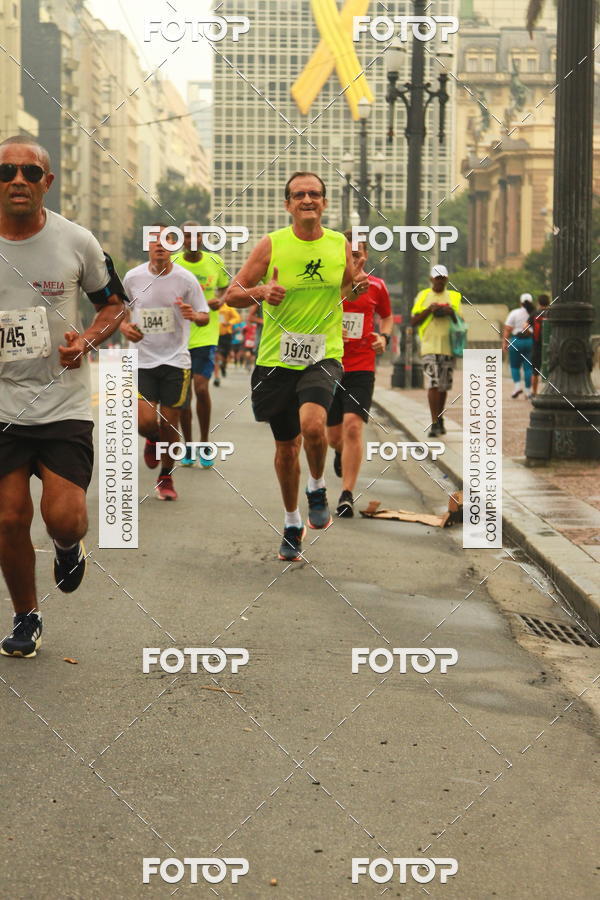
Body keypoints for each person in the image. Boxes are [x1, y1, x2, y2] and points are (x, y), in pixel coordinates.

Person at [0, 136, 126, 658]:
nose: (18, 181)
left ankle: (69, 547)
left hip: (63, 403)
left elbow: (115, 305)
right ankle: (27, 615)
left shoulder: (77, 241)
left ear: (48, 182)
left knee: (64, 517)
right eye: (6, 171)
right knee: (7, 517)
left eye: (31, 172)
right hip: (4, 405)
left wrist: (88, 339)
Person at [224, 171, 368, 561]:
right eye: (299, 194)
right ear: (287, 204)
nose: (308, 199)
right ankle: (291, 523)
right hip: (276, 360)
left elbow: (347, 289)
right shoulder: (271, 245)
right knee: (287, 449)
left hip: (323, 354)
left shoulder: (339, 243)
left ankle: (317, 486)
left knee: (313, 426)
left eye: (315, 194)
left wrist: (358, 282)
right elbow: (232, 295)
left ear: (324, 202)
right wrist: (261, 291)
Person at [120, 225, 209, 500]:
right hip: (142, 361)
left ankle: (166, 477)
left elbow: (204, 314)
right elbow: (121, 312)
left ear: (173, 245)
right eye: (153, 240)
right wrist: (124, 326)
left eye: (166, 240)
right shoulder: (133, 277)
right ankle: (153, 439)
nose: (159, 244)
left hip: (175, 361)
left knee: (171, 424)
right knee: (144, 422)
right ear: (147, 245)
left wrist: (194, 315)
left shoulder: (186, 279)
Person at [327, 231, 393, 517]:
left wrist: (384, 338)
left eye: (360, 252)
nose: (356, 257)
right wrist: (329, 328)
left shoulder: (377, 286)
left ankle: (347, 493)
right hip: (329, 364)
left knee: (353, 425)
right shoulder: (329, 285)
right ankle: (340, 453)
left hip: (362, 366)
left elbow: (387, 316)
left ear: (366, 255)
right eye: (350, 252)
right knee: (332, 436)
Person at [171, 223, 229, 467]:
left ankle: (205, 442)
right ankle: (189, 445)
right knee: (184, 396)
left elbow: (226, 288)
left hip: (206, 334)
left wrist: (221, 300)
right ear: (181, 239)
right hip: (178, 336)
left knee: (201, 389)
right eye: (187, 235)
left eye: (197, 236)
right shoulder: (172, 262)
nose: (192, 240)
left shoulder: (215, 261)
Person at [410, 264, 462, 437]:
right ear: (431, 279)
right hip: (429, 346)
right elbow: (413, 321)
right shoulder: (423, 295)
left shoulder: (454, 296)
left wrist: (450, 312)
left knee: (443, 386)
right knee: (433, 383)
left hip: (448, 346)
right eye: (437, 277)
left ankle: (440, 419)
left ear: (446, 279)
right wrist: (429, 310)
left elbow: (460, 323)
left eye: (442, 278)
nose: (440, 281)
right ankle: (434, 422)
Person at [503, 292, 535, 399]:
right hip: (530, 341)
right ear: (531, 302)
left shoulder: (514, 313)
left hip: (516, 340)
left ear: (520, 302)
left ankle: (517, 387)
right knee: (528, 367)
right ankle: (528, 391)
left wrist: (505, 342)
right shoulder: (534, 313)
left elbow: (508, 328)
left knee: (514, 366)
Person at [214, 302, 240, 384]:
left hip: (226, 336)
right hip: (214, 335)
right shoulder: (213, 307)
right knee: (217, 356)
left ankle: (223, 366)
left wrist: (229, 323)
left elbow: (237, 318)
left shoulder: (229, 308)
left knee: (224, 357)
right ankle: (216, 377)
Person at [531, 293, 550, 395]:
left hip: (537, 345)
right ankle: (549, 391)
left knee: (535, 371)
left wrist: (532, 333)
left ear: (538, 302)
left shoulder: (535, 313)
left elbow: (524, 326)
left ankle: (534, 392)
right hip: (550, 345)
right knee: (551, 369)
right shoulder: (551, 313)